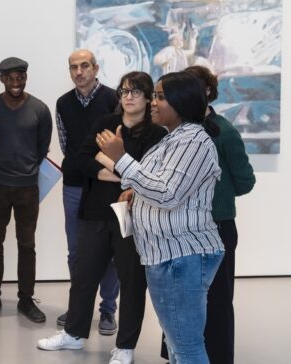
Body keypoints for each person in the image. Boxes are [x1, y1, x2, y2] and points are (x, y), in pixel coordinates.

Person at [38, 72, 166, 364]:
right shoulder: (105, 123)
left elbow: (148, 176)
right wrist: (123, 173)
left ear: (148, 97)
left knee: (132, 283)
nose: (128, 97)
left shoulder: (157, 134)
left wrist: (107, 158)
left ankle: (125, 347)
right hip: (95, 212)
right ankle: (73, 334)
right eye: (124, 91)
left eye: (136, 91)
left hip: (133, 218)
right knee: (83, 276)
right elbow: (80, 159)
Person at [97, 71, 225, 364]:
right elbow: (157, 182)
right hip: (166, 255)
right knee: (178, 343)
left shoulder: (194, 142)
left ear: (182, 102)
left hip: (182, 256)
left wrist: (121, 159)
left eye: (160, 97)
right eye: (154, 96)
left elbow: (168, 194)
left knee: (185, 345)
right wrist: (134, 193)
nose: (152, 103)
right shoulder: (173, 139)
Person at [179, 65, 255, 363]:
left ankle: (220, 358)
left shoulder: (225, 132)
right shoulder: (177, 130)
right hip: (184, 226)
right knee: (184, 296)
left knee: (218, 299)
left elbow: (245, 181)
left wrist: (216, 196)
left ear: (208, 92)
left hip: (217, 227)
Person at [0, 57, 52, 324]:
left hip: (27, 189)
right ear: (2, 79)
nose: (16, 82)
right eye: (11, 78)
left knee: (26, 244)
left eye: (21, 77)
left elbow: (43, 149)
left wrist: (27, 171)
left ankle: (26, 299)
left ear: (26, 77)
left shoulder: (40, 109)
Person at [54, 49, 120, 334]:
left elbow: (119, 144)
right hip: (74, 185)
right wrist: (83, 163)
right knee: (76, 251)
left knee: (110, 251)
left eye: (84, 66)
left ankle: (108, 310)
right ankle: (79, 306)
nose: (78, 72)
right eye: (73, 67)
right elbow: (67, 146)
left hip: (106, 185)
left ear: (95, 68)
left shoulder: (113, 100)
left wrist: (98, 168)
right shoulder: (63, 103)